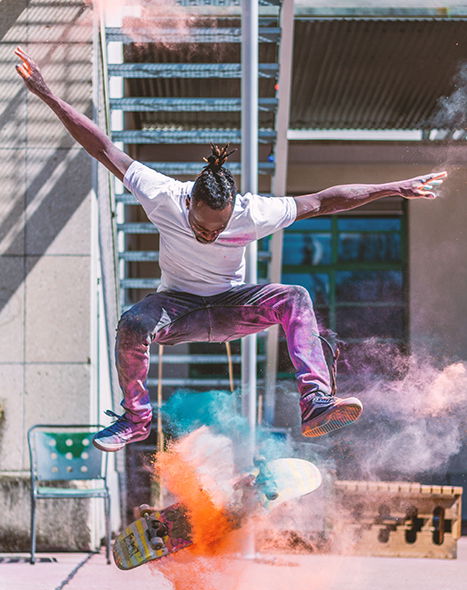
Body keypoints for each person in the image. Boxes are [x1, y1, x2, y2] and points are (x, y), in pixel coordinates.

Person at [15, 46, 447, 452]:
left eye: (219, 229)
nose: (210, 235)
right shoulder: (162, 193)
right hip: (176, 309)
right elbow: (102, 147)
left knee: (295, 297)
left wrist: (393, 188)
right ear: (189, 203)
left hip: (231, 306)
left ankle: (315, 400)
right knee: (132, 322)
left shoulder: (252, 212)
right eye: (202, 227)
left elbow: (323, 200)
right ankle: (135, 417)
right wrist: (48, 94)